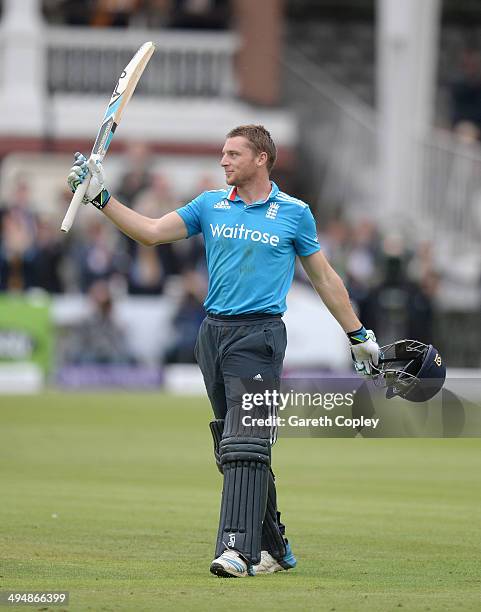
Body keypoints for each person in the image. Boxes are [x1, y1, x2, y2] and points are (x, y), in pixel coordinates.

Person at [67, 124, 379, 578]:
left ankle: (238, 549)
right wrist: (102, 199)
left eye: (233, 153)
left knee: (245, 443)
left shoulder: (294, 213)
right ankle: (275, 548)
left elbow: (325, 278)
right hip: (212, 335)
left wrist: (357, 334)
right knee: (231, 444)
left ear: (261, 159)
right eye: (222, 153)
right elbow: (152, 232)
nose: (223, 160)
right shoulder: (210, 205)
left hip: (260, 336)